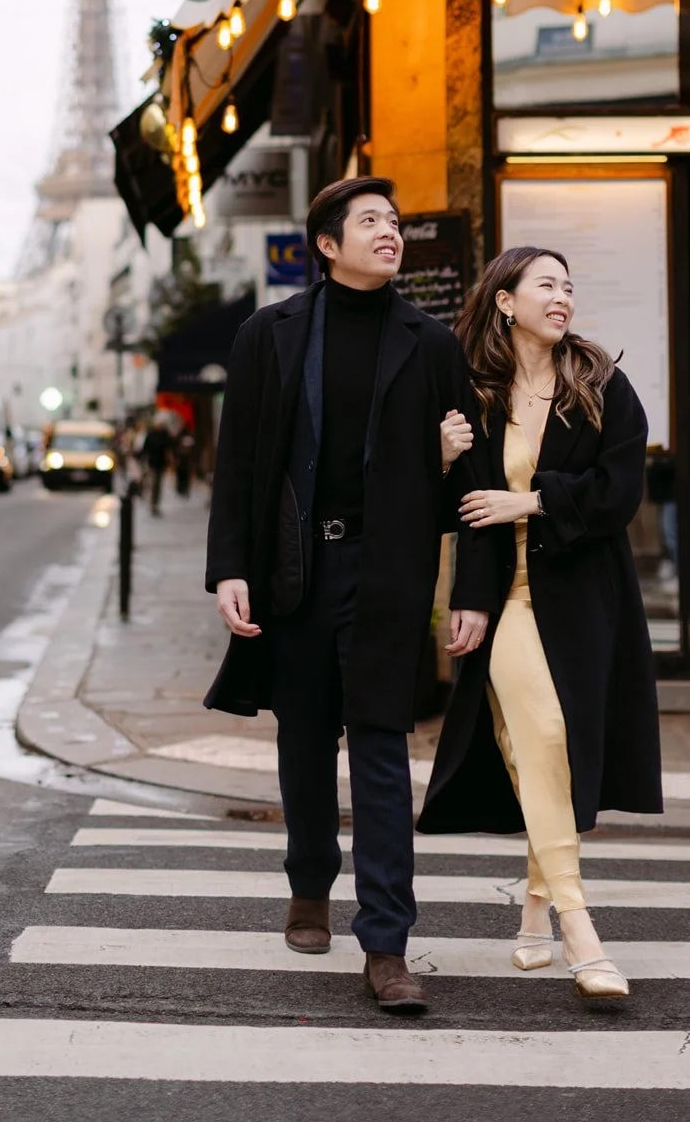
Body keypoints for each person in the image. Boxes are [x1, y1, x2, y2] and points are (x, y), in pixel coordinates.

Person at [204, 177, 496, 1016]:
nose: (390, 233)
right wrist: (231, 568)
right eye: (371, 222)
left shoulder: (431, 342)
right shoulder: (271, 335)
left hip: (388, 576)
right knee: (303, 743)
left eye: (396, 222)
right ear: (326, 245)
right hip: (296, 571)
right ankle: (307, 885)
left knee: (378, 752)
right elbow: (243, 466)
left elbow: (466, 486)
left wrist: (469, 591)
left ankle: (387, 944)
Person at [420, 247, 663, 1001]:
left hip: (586, 597)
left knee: (550, 750)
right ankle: (579, 927)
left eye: (568, 285)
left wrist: (531, 501)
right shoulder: (473, 394)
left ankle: (532, 907)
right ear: (504, 300)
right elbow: (442, 508)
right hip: (504, 598)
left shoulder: (598, 386)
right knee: (545, 735)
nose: (561, 298)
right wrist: (438, 456)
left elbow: (620, 490)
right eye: (545, 285)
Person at [141, 416, 173, 516]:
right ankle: (152, 503)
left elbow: (169, 447)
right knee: (154, 483)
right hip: (153, 463)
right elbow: (145, 449)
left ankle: (155, 503)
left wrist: (170, 460)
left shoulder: (165, 434)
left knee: (158, 484)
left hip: (162, 463)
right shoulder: (151, 434)